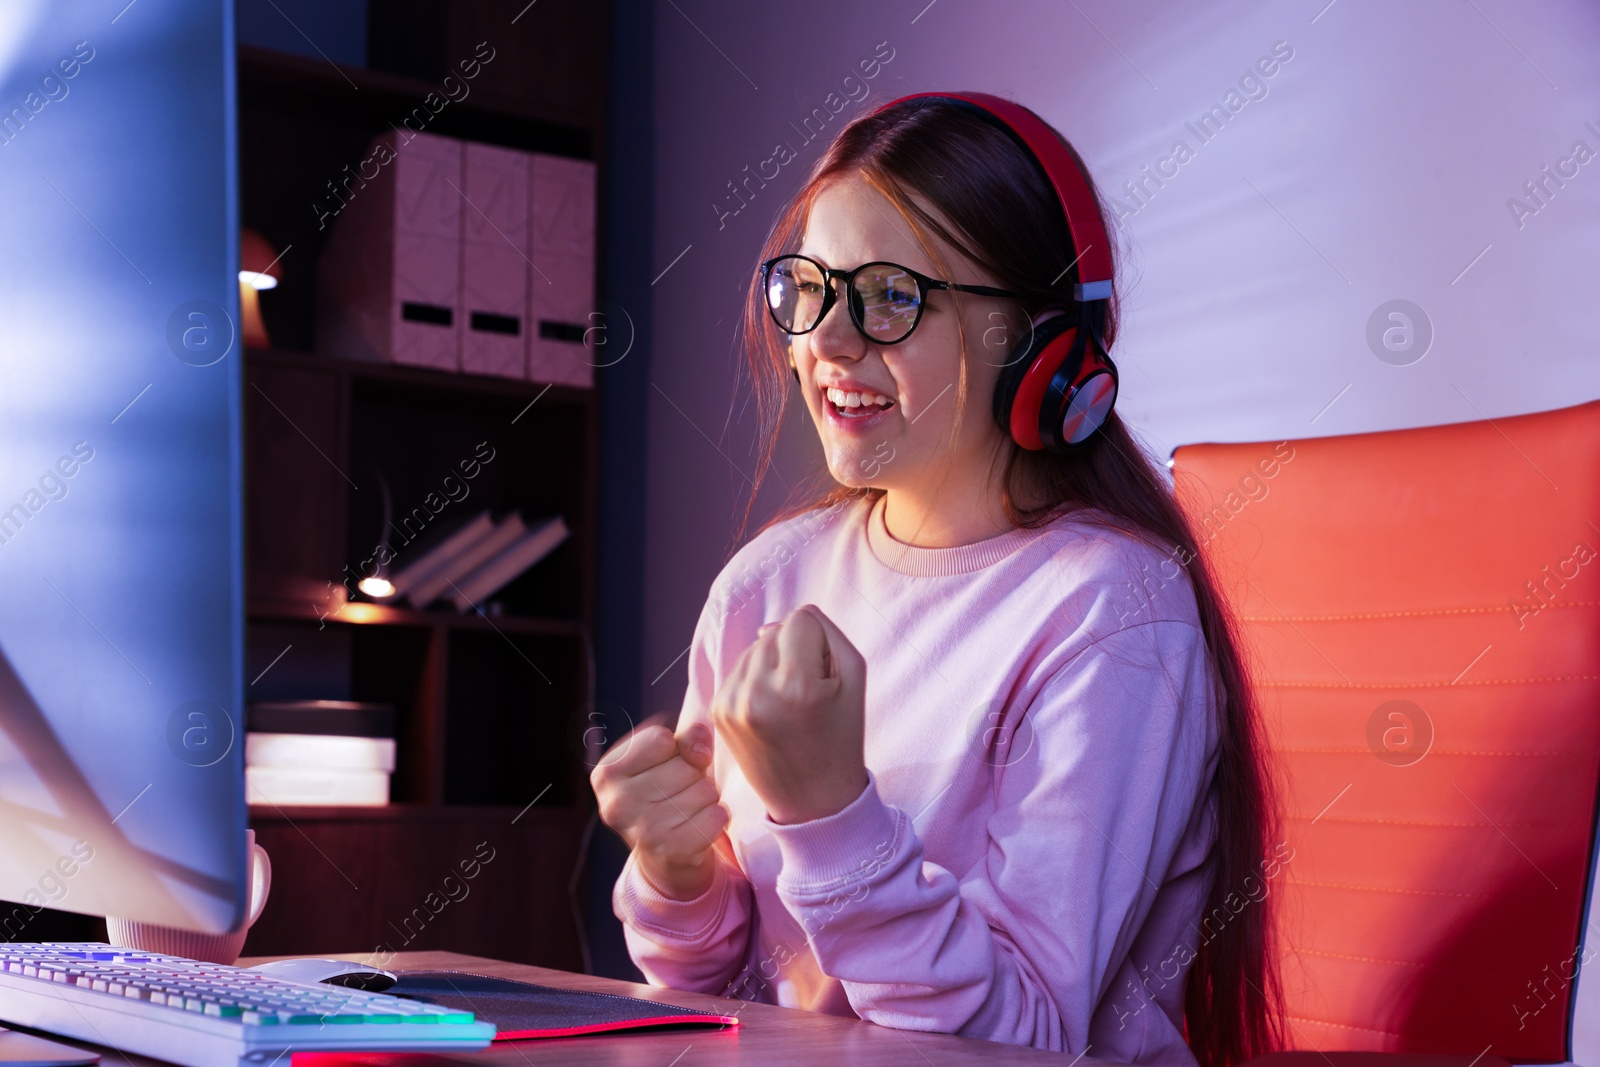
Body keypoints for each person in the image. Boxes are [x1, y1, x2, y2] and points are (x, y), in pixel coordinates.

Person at [591, 93, 1284, 1067]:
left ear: (1041, 343)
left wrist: (832, 811)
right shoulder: (768, 579)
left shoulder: (1111, 608)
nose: (826, 341)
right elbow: (719, 1001)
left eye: (888, 296)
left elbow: (1026, 1038)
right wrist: (677, 872)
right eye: (808, 288)